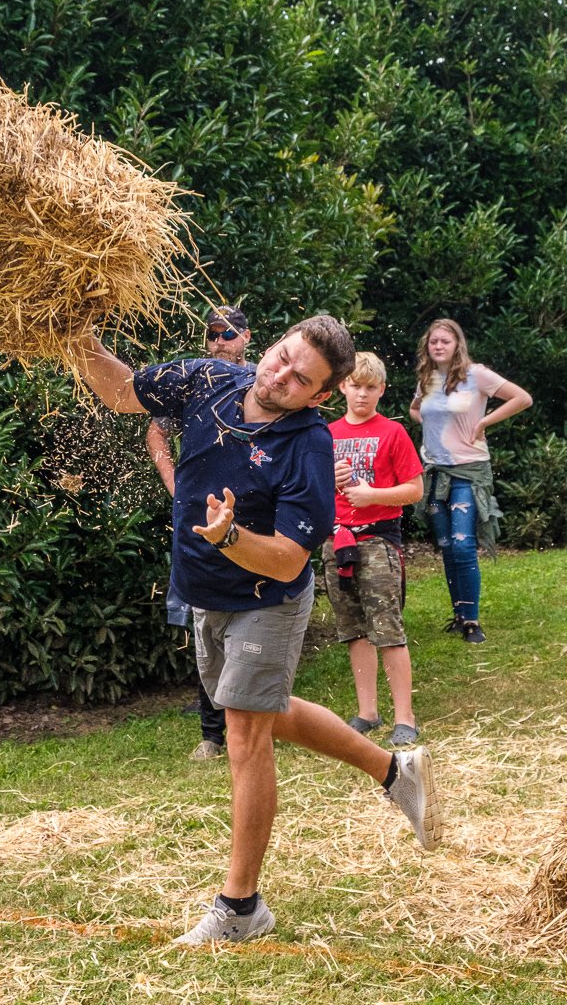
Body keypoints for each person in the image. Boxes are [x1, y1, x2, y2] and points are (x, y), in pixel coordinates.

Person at [72, 315, 443, 945]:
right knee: (260, 709)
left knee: (243, 731)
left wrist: (230, 537)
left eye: (300, 379)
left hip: (265, 597)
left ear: (319, 396)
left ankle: (241, 908)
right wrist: (76, 341)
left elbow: (290, 559)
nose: (280, 376)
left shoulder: (308, 444)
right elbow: (121, 390)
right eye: (281, 358)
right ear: (272, 345)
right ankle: (395, 771)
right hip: (203, 590)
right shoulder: (209, 377)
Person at [145, 305, 253, 761]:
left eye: (227, 334)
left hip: (251, 514)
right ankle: (212, 734)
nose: (218, 342)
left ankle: (251, 722)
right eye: (211, 335)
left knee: (252, 612)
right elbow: (155, 432)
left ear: (246, 337)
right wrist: (175, 484)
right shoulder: (194, 379)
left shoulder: (263, 379)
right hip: (199, 518)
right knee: (204, 618)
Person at [410, 319, 532, 644]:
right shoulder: (427, 378)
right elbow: (415, 410)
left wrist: (484, 422)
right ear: (428, 345)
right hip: (435, 470)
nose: (438, 346)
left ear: (457, 344)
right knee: (448, 547)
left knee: (464, 544)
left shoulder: (476, 375)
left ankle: (473, 621)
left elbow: (522, 398)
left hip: (469, 470)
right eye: (434, 341)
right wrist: (432, 431)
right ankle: (459, 615)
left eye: (445, 341)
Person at [323, 352, 424, 748]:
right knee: (354, 630)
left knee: (388, 628)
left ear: (381, 390)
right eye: (354, 386)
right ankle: (367, 712)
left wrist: (372, 495)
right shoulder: (326, 433)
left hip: (379, 539)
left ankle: (405, 717)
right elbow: (309, 491)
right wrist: (327, 479)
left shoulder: (393, 433)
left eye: (370, 387)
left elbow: (414, 490)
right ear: (342, 387)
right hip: (337, 540)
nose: (361, 394)